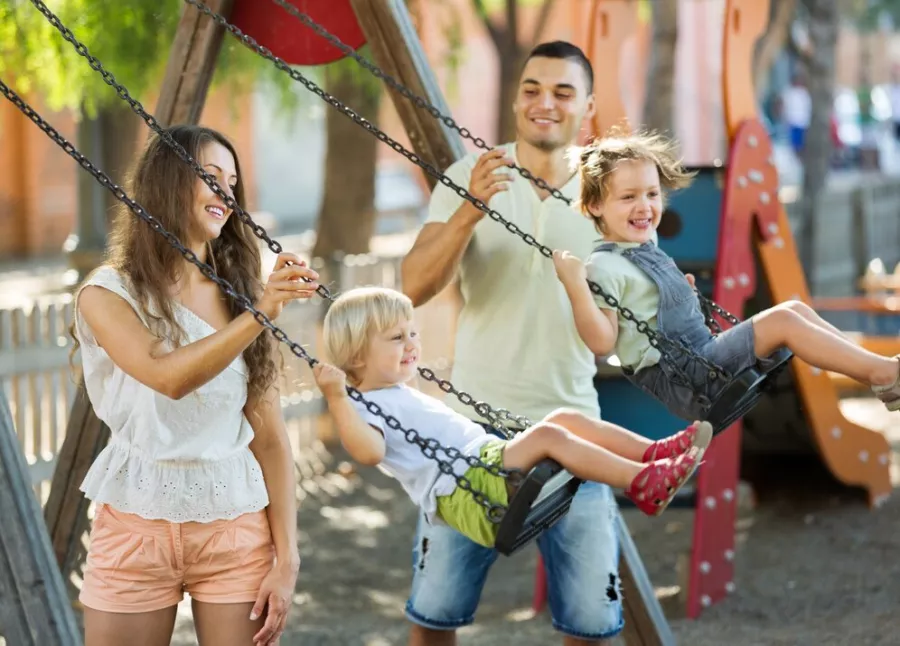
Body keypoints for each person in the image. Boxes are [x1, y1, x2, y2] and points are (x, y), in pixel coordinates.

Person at [400, 40, 625, 645]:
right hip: (471, 436)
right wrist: (472, 208)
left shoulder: (608, 190)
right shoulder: (470, 176)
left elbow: (628, 320)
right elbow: (413, 286)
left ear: (588, 106)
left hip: (574, 432)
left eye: (562, 91)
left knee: (591, 624)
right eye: (531, 88)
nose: (543, 103)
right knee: (433, 616)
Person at [71, 125, 318, 646]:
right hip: (136, 524)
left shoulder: (240, 293)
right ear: (166, 184)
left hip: (235, 525)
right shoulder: (107, 293)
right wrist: (261, 313)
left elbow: (270, 439)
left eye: (233, 181)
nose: (226, 194)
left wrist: (287, 559)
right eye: (210, 177)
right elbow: (169, 378)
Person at [313, 287, 710, 543]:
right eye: (396, 338)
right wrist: (335, 397)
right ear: (357, 356)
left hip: (482, 462)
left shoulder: (394, 389)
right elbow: (368, 453)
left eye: (412, 332)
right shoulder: (361, 404)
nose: (412, 343)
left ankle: (653, 454)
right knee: (550, 436)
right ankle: (642, 484)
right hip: (466, 488)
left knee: (564, 418)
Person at [552, 130, 900, 419]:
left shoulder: (645, 243)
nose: (645, 206)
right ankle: (882, 373)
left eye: (652, 194)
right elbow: (601, 342)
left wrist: (680, 297)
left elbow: (647, 307)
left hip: (699, 356)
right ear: (595, 205)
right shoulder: (602, 266)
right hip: (686, 378)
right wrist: (575, 285)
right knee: (784, 322)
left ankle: (879, 372)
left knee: (795, 311)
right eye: (628, 197)